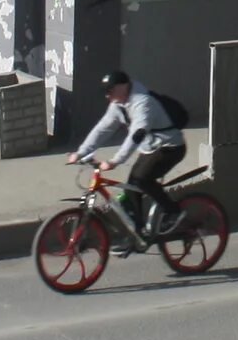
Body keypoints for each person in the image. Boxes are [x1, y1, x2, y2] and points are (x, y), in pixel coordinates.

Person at [70, 70, 185, 239]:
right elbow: (103, 129)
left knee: (141, 179)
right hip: (150, 149)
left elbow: (136, 135)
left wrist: (115, 161)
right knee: (131, 190)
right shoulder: (118, 104)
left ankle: (174, 212)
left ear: (123, 87)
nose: (107, 96)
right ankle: (139, 235)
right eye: (105, 92)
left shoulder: (143, 103)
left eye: (110, 91)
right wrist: (82, 152)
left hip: (170, 147)